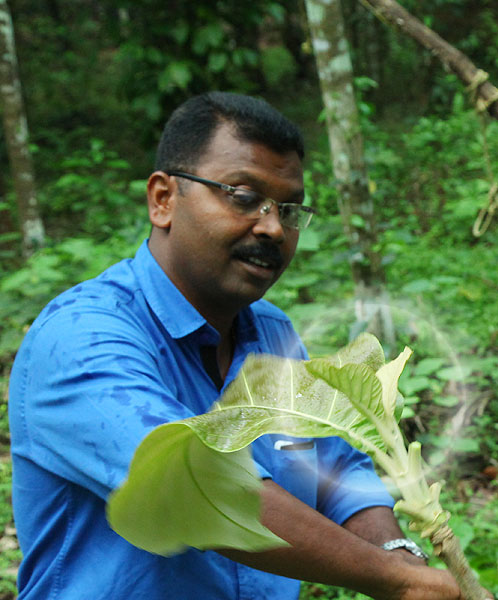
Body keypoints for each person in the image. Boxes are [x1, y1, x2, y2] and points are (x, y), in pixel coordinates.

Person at [8, 92, 462, 599]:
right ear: (163, 200)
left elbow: (334, 467)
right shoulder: (82, 338)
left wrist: (398, 554)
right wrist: (397, 582)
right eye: (243, 196)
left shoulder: (271, 332)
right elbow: (198, 489)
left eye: (288, 209)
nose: (271, 227)